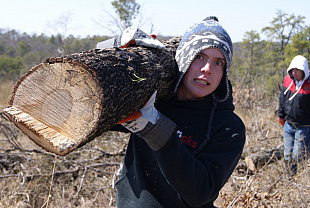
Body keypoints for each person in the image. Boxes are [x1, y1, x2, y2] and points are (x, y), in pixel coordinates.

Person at [98, 16, 246, 208]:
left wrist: (156, 130)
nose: (207, 69)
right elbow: (97, 104)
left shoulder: (228, 127)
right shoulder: (153, 97)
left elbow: (200, 192)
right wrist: (115, 47)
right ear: (184, 58)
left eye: (218, 62)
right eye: (199, 56)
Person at [278, 55, 310, 176]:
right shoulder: (288, 80)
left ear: (304, 70)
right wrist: (281, 116)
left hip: (304, 126)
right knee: (288, 154)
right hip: (288, 124)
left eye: (297, 70)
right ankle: (289, 178)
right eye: (292, 69)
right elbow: (282, 99)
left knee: (298, 155)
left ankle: (298, 176)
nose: (294, 73)